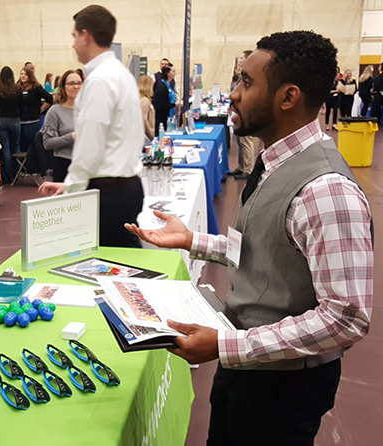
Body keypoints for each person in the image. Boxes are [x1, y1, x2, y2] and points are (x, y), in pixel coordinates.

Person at [126, 30, 372, 445]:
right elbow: (265, 249)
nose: (234, 94)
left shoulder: (326, 190)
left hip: (281, 388)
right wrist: (193, 241)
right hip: (247, 362)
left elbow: (345, 317)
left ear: (288, 96)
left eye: (246, 82)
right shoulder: (275, 159)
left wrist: (229, 345)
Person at [38, 5, 144, 248]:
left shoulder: (99, 81)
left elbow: (90, 144)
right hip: (126, 184)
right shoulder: (122, 75)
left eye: (74, 36)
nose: (73, 44)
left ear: (86, 36)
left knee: (107, 264)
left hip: (108, 194)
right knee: (123, 257)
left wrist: (73, 186)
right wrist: (70, 184)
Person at [41, 69, 82, 182]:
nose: (76, 87)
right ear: (63, 87)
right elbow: (47, 143)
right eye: (71, 83)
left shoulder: (89, 109)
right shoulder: (55, 112)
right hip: (64, 164)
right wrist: (72, 137)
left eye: (79, 83)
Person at [229, 50, 263, 180]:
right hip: (238, 112)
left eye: (243, 58)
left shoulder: (251, 77)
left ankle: (248, 169)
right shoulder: (240, 76)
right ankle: (241, 166)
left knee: (246, 141)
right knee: (240, 140)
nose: (240, 59)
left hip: (247, 112)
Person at [0, 66, 21, 183]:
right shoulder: (17, 89)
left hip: (1, 119)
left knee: (5, 148)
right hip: (14, 120)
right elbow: (21, 105)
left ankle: (8, 176)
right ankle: (17, 173)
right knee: (16, 147)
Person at [17, 66, 52, 154]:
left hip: (33, 121)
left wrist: (40, 110)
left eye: (25, 74)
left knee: (32, 145)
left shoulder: (36, 88)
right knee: (21, 146)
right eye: (21, 74)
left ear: (30, 76)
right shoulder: (17, 88)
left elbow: (49, 99)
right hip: (20, 121)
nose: (23, 76)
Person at [153, 65, 176, 136]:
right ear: (168, 74)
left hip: (170, 117)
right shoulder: (162, 87)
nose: (175, 73)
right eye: (173, 71)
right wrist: (174, 104)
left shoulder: (169, 86)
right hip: (162, 120)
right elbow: (160, 105)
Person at [138, 75, 155, 145]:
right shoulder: (145, 101)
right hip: (145, 135)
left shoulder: (140, 99)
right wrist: (151, 133)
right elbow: (144, 119)